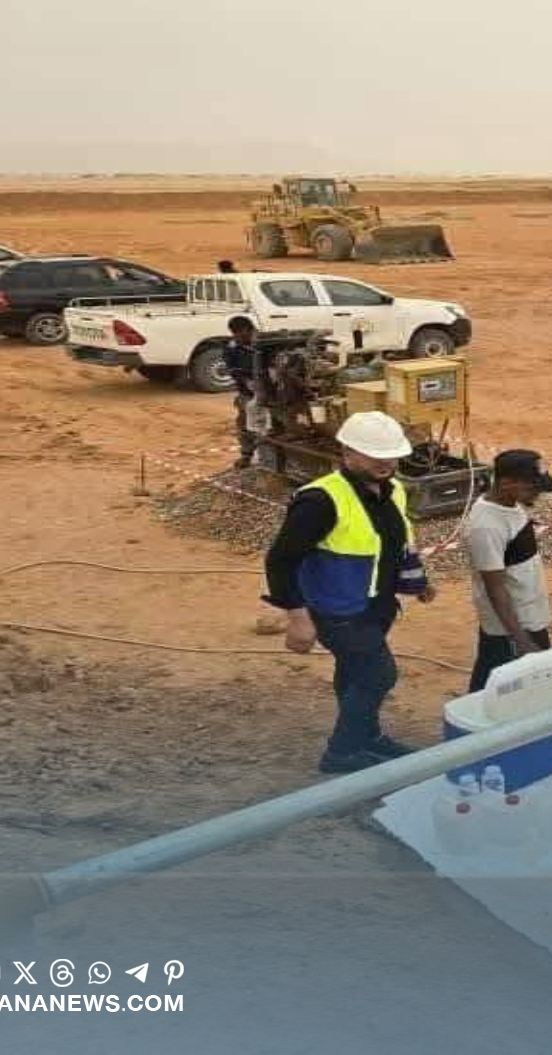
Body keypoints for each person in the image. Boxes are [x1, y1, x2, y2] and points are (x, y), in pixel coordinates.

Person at [264, 411, 438, 773]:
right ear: (347, 452)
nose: (386, 463)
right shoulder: (321, 500)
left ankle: (366, 736)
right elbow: (280, 560)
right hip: (337, 610)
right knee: (378, 675)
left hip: (376, 605)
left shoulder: (393, 490)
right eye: (375, 455)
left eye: (391, 455)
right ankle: (341, 753)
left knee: (354, 671)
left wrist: (417, 580)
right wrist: (297, 618)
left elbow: (395, 541)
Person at [464, 449, 552, 692]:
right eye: (532, 488)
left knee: (494, 678)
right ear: (506, 483)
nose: (537, 494)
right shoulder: (486, 527)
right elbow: (495, 587)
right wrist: (521, 640)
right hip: (513, 625)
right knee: (498, 684)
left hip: (526, 614)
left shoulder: (510, 505)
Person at [223, 316, 259, 468]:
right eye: (235, 334)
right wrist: (246, 381)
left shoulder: (266, 344)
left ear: (251, 330)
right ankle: (246, 455)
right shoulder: (231, 348)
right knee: (244, 424)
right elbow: (232, 370)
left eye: (243, 333)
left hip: (273, 392)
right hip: (247, 393)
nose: (238, 337)